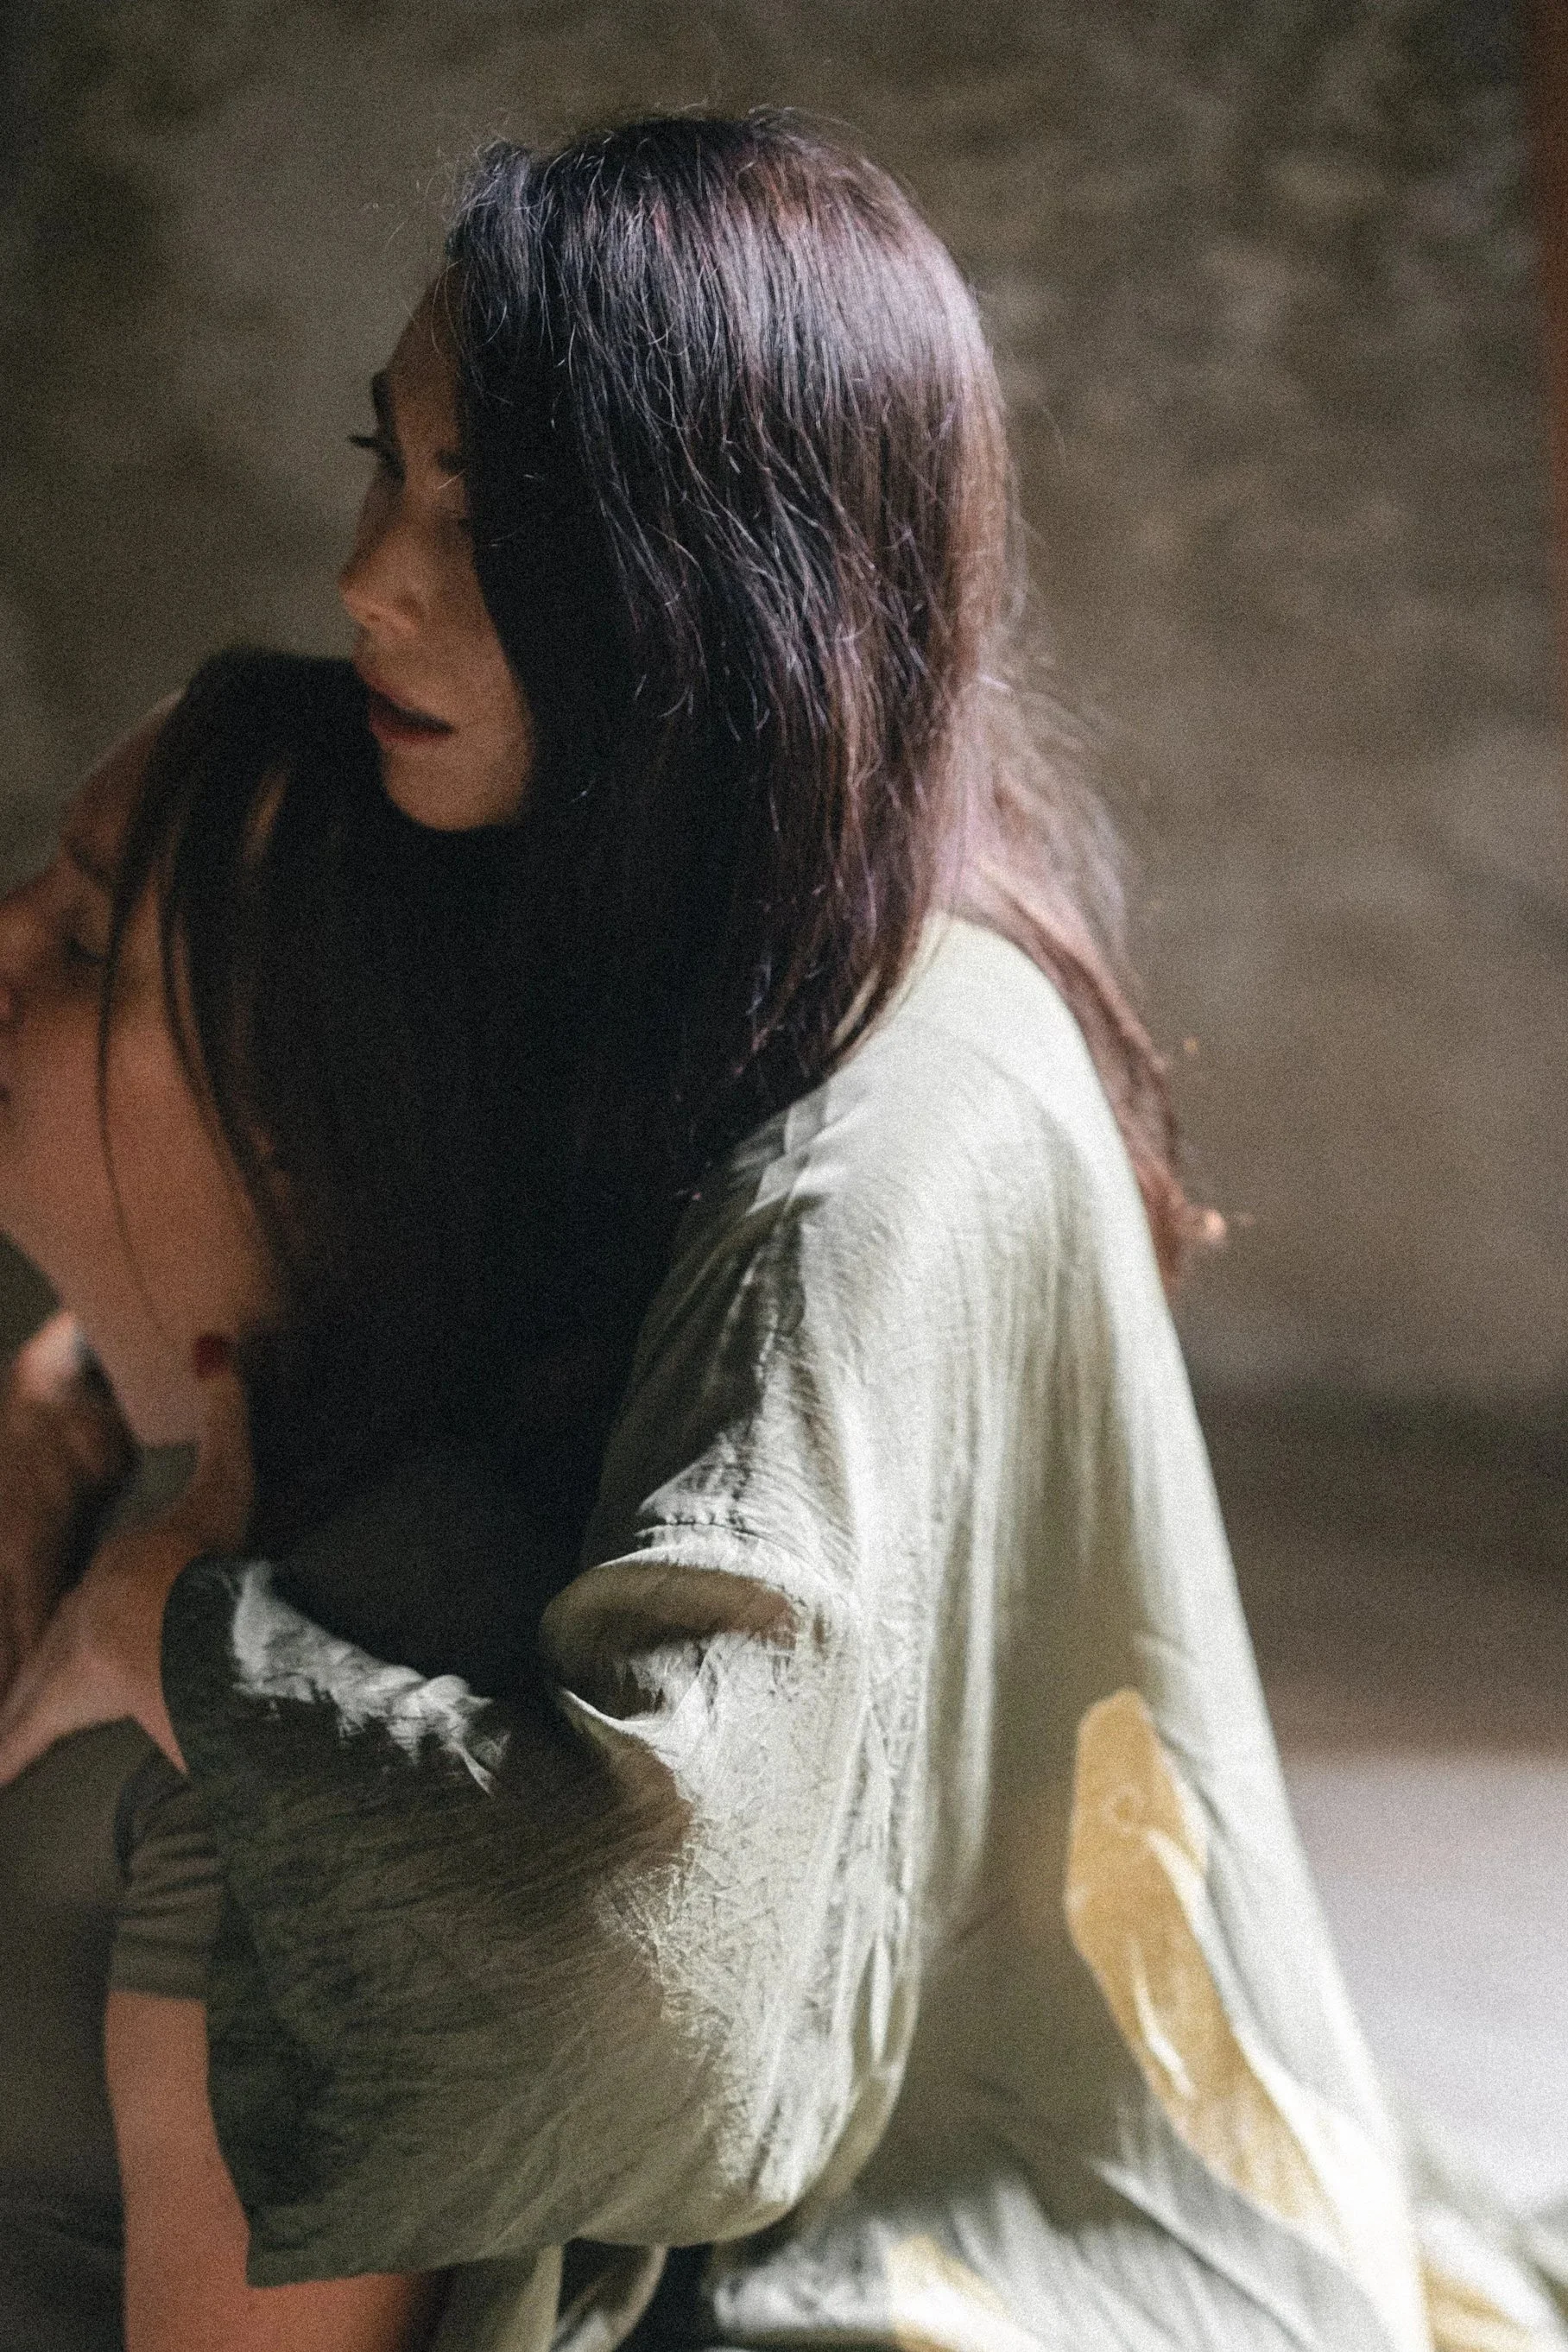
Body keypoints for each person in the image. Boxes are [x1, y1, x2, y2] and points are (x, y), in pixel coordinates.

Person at [0, 115, 1448, 2350]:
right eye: (386, 469)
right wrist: (97, 1374)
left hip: (979, 2235)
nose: (376, 575)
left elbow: (642, 1967)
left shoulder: (870, 1143)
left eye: (491, 525)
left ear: (713, 582)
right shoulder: (737, 894)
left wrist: (181, 1644)